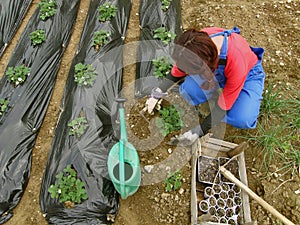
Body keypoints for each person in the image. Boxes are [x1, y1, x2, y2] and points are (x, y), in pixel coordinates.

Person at [146, 26, 266, 146]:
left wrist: (198, 131)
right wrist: (156, 94)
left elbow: (225, 104)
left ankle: (225, 97)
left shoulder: (236, 63)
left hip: (248, 74)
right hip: (216, 68)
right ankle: (212, 92)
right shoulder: (196, 45)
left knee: (242, 117)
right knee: (190, 91)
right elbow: (177, 71)